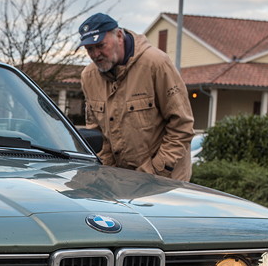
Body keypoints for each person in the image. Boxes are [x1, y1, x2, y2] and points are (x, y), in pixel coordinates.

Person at [78, 13, 194, 181]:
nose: (96, 54)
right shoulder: (88, 77)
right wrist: (106, 175)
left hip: (164, 183)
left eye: (101, 45)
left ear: (119, 36)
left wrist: (154, 171)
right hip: (118, 183)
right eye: (90, 49)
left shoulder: (156, 64)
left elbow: (182, 126)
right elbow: (96, 133)